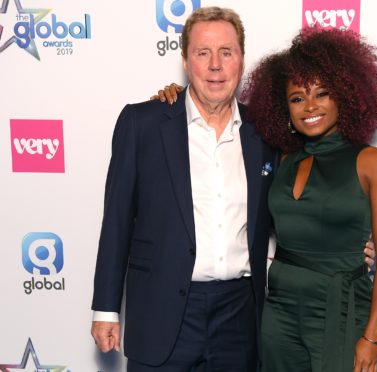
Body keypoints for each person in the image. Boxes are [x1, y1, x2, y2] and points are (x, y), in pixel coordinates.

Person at [91, 7, 278, 371]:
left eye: (226, 52)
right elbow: (116, 222)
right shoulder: (143, 123)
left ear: (241, 59)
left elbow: (288, 207)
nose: (215, 65)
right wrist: (105, 308)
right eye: (202, 52)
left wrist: (349, 241)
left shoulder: (264, 133)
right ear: (184, 60)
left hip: (239, 316)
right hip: (162, 310)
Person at [240, 29, 377, 372]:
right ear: (284, 107)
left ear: (345, 95)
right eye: (297, 98)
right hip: (279, 309)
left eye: (322, 94)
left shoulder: (372, 162)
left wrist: (372, 338)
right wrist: (180, 97)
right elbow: (222, 117)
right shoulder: (282, 158)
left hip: (339, 309)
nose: (310, 106)